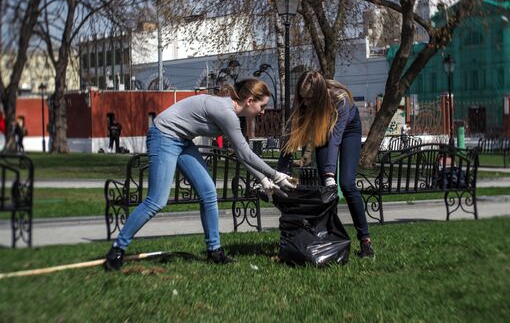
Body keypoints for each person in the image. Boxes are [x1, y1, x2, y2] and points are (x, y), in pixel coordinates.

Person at [103, 78, 296, 270]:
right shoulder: (226, 112)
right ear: (250, 101)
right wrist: (275, 175)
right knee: (156, 200)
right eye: (262, 106)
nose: (263, 111)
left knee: (208, 191)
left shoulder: (230, 112)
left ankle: (214, 251)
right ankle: (117, 249)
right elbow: (245, 153)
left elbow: (241, 154)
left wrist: (263, 178)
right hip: (164, 135)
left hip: (182, 139)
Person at [280, 70, 375, 258]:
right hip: (323, 128)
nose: (306, 103)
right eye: (303, 98)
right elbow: (291, 136)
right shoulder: (303, 103)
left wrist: (332, 174)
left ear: (320, 95)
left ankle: (365, 241)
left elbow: (336, 138)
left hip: (348, 130)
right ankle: (331, 237)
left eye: (310, 99)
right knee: (326, 190)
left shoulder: (340, 99)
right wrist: (279, 173)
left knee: (347, 184)